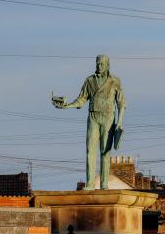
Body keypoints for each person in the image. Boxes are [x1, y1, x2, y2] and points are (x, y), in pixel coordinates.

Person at [52, 55, 126, 190]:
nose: (99, 66)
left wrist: (119, 122)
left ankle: (104, 185)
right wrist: (66, 106)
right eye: (98, 63)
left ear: (108, 65)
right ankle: (90, 184)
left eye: (102, 64)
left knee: (105, 151)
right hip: (93, 117)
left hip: (108, 118)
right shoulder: (90, 81)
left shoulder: (115, 81)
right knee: (90, 150)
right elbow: (81, 99)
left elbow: (121, 103)